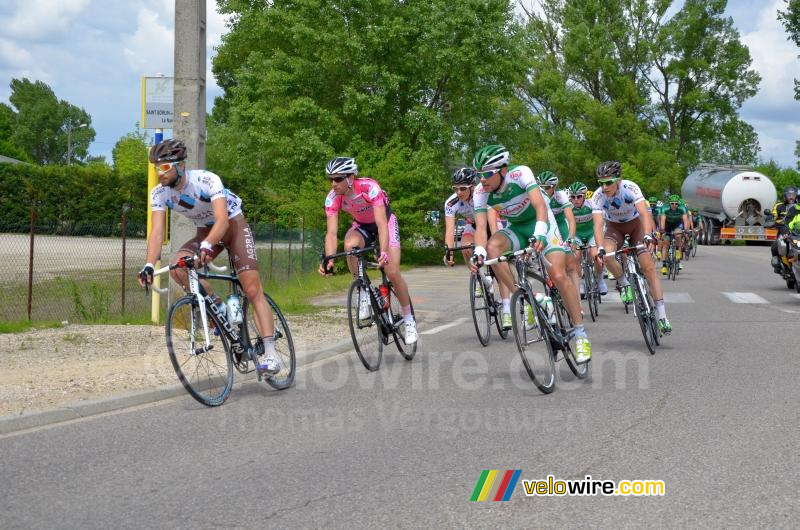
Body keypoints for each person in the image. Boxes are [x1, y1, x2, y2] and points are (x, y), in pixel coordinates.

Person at [137, 138, 283, 375]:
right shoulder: (159, 193)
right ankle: (219, 309)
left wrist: (207, 246)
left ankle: (270, 353)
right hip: (204, 231)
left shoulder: (206, 180)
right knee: (178, 268)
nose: (159, 173)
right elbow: (156, 233)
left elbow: (222, 220)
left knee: (251, 289)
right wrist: (148, 265)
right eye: (156, 168)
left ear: (180, 166)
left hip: (232, 226)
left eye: (164, 167)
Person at [469, 144, 592, 362]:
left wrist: (540, 232)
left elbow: (540, 206)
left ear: (503, 170)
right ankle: (527, 298)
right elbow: (480, 227)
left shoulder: (520, 174)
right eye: (479, 174)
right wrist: (478, 252)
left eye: (487, 174)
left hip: (542, 222)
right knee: (492, 249)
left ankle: (580, 335)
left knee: (558, 274)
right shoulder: (481, 192)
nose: (482, 180)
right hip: (517, 227)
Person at [319, 156, 417, 345]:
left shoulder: (369, 187)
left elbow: (381, 224)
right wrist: (329, 259)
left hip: (385, 224)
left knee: (392, 271)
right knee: (350, 247)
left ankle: (409, 319)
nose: (333, 184)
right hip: (362, 226)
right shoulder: (332, 198)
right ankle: (363, 291)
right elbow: (331, 233)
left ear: (351, 177)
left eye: (338, 179)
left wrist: (384, 251)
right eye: (330, 179)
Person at [591, 160, 672, 333]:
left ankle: (662, 316)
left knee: (648, 268)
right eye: (601, 183)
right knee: (607, 256)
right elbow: (598, 224)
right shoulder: (597, 196)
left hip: (636, 226)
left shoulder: (631, 187)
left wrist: (648, 234)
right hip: (614, 228)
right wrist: (600, 247)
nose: (604, 187)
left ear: (618, 180)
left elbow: (644, 214)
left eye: (608, 182)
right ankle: (624, 283)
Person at [442, 167, 510, 301]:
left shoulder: (483, 194)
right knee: (466, 247)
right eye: (455, 189)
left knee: (497, 259)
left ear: (472, 187)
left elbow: (492, 224)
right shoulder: (451, 203)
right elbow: (450, 230)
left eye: (463, 188)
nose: (458, 192)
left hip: (491, 223)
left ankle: (506, 299)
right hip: (473, 225)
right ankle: (478, 277)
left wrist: (496, 244)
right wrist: (449, 252)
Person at [537, 171, 580, 294]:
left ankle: (576, 298)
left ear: (554, 187)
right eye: (541, 187)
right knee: (551, 266)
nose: (543, 190)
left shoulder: (560, 195)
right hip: (547, 227)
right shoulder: (536, 195)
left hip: (561, 227)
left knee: (571, 266)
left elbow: (571, 219)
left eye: (547, 187)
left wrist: (571, 238)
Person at [568, 181, 607, 296]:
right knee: (576, 257)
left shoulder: (591, 203)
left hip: (591, 233)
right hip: (577, 234)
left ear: (584, 196)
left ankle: (600, 279)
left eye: (579, 196)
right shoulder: (569, 207)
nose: (576, 200)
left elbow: (598, 222)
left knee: (595, 256)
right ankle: (581, 283)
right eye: (573, 197)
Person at [658, 195, 689, 275]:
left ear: (678, 204)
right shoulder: (665, 208)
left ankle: (678, 252)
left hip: (677, 224)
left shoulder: (682, 208)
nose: (674, 205)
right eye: (672, 203)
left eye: (676, 203)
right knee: (665, 244)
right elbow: (662, 221)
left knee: (678, 235)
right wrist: (662, 230)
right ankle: (664, 266)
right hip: (667, 225)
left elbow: (685, 220)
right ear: (669, 204)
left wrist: (686, 230)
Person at [771, 186, 798, 273]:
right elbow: (773, 215)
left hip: (796, 230)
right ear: (784, 196)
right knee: (775, 246)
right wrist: (770, 219)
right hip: (782, 228)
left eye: (793, 195)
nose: (791, 197)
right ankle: (777, 262)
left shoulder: (798, 206)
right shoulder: (779, 206)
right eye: (789, 195)